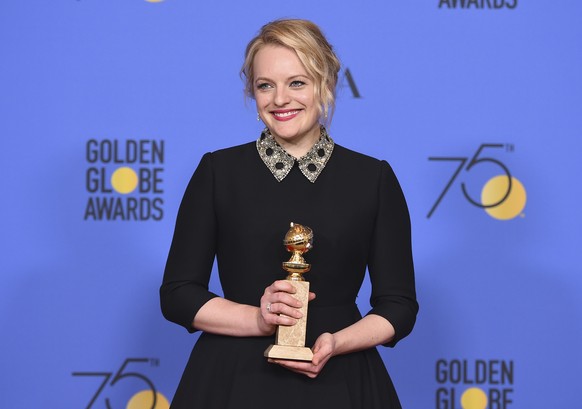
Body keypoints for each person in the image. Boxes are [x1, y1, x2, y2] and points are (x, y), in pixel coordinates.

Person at [160, 18, 418, 409]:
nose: (280, 99)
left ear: (326, 84)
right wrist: (259, 321)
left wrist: (337, 342)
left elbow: (399, 305)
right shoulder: (218, 172)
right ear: (253, 92)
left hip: (341, 378)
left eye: (297, 82)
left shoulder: (372, 178)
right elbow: (178, 294)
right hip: (232, 380)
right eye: (266, 85)